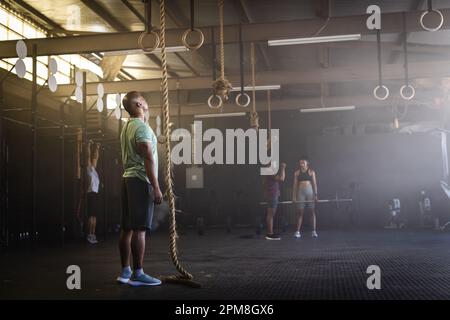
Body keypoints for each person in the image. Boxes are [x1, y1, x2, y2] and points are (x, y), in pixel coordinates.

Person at [117, 91, 163, 287]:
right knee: (140, 229)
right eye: (143, 99)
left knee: (127, 228)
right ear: (138, 105)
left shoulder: (128, 126)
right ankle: (138, 273)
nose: (146, 101)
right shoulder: (141, 128)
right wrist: (156, 186)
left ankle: (125, 271)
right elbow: (148, 157)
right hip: (140, 181)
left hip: (128, 179)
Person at [292, 157, 318, 238]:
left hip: (310, 192)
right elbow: (295, 185)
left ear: (307, 163)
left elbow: (314, 184)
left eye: (303, 162)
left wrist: (316, 195)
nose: (301, 163)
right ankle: (297, 231)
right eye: (300, 162)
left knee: (312, 212)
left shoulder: (311, 172)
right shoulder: (297, 173)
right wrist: (294, 196)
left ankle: (314, 231)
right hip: (301, 192)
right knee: (300, 213)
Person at [263, 162, 286, 240]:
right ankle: (270, 234)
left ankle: (270, 232)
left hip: (271, 194)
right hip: (272, 194)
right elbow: (282, 178)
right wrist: (283, 168)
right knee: (271, 214)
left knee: (271, 214)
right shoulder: (270, 171)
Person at [86, 140, 101, 244]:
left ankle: (93, 234)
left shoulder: (94, 171)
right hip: (91, 193)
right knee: (91, 216)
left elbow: (96, 157)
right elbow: (88, 157)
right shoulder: (89, 169)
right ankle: (90, 235)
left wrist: (97, 148)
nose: (94, 161)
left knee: (94, 216)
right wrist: (88, 145)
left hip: (95, 194)